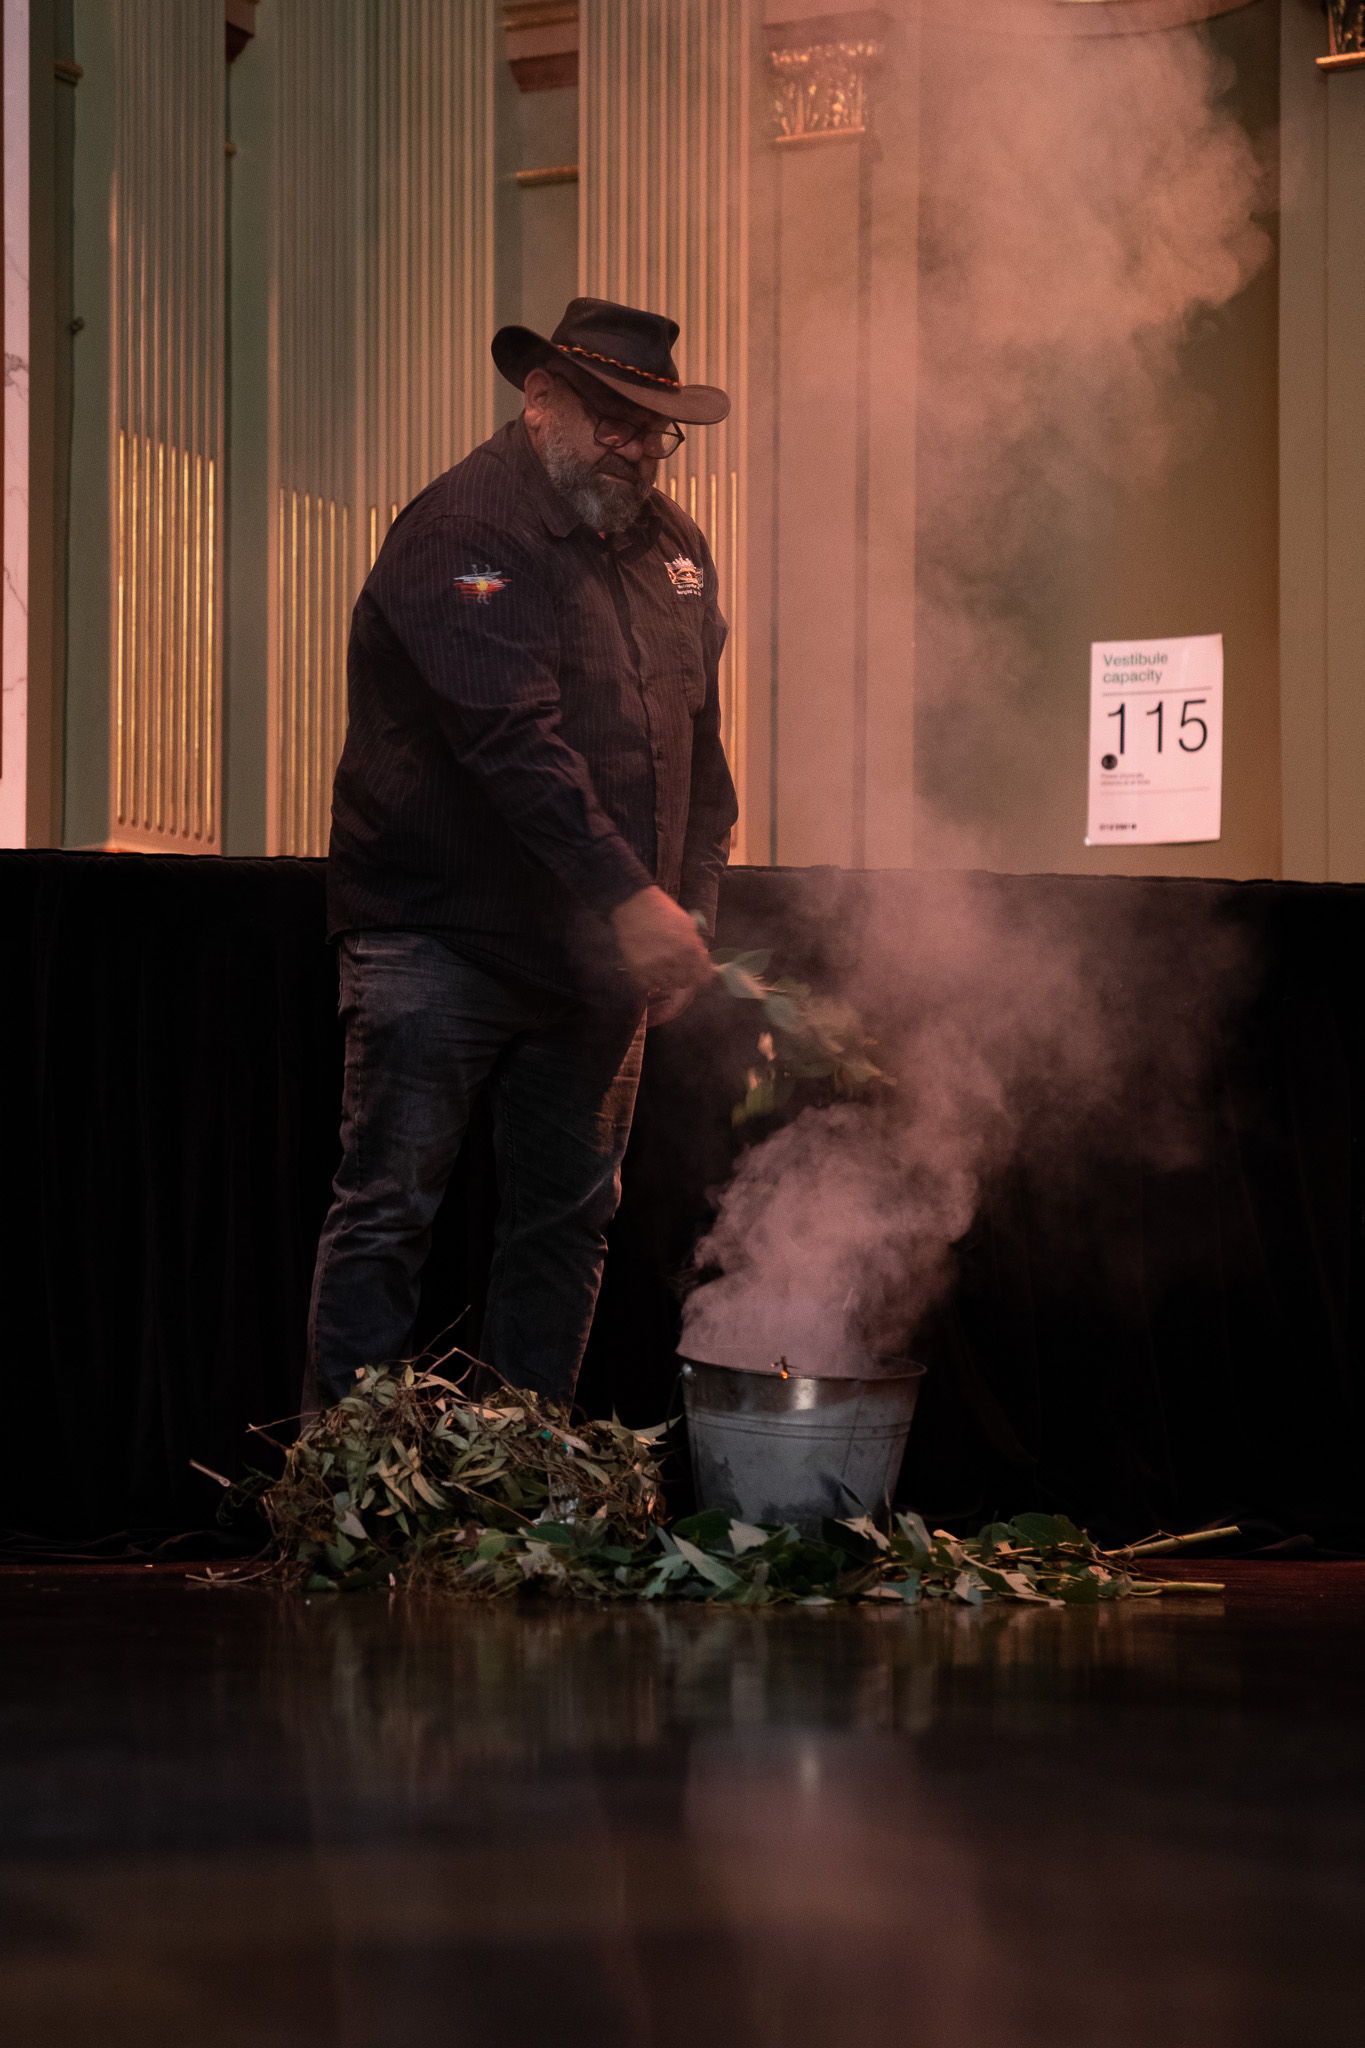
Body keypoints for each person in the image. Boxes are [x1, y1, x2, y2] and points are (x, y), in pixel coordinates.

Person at [305, 298, 738, 1410]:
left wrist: (688, 906)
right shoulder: (463, 533)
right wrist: (634, 900)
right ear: (540, 399)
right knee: (393, 1206)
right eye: (617, 420)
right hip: (436, 934)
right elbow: (513, 745)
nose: (641, 448)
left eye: (656, 428)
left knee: (568, 1219)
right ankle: (348, 1488)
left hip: (594, 954)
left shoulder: (676, 551)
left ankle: (528, 1480)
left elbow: (699, 752)